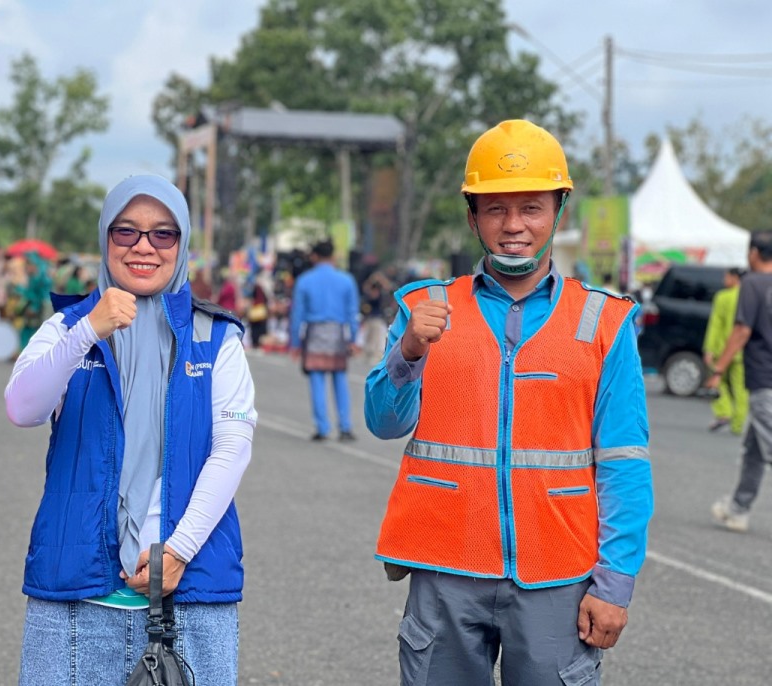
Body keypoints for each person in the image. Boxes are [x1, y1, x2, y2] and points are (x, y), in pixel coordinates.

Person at [364, 120, 653, 685]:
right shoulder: (426, 308)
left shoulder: (604, 321)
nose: (513, 226)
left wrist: (614, 582)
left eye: (531, 208)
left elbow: (625, 462)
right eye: (495, 209)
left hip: (557, 574)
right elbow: (382, 420)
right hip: (446, 567)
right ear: (473, 216)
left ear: (558, 211)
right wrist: (410, 349)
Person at [4, 174, 257, 686]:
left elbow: (232, 448)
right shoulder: (66, 327)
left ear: (181, 245)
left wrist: (179, 551)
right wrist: (88, 330)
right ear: (105, 239)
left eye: (163, 234)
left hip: (189, 594)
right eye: (126, 232)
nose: (144, 247)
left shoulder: (217, 336)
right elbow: (22, 408)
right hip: (76, 594)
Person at [707, 232, 772, 532]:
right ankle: (737, 509)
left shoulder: (753, 284)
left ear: (754, 254)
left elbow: (742, 331)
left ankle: (738, 508)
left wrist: (719, 368)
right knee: (755, 449)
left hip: (764, 378)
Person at [289, 240, 360, 441]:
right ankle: (345, 426)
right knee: (340, 380)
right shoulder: (346, 280)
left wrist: (295, 343)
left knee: (317, 381)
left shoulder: (304, 280)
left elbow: (297, 315)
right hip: (337, 333)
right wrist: (353, 338)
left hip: (314, 333)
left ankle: (322, 427)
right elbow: (352, 313)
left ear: (314, 256)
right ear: (333, 256)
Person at [703, 267, 747, 434]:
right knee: (741, 389)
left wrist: (709, 349)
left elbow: (715, 325)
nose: (724, 279)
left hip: (722, 349)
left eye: (726, 276)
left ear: (734, 277)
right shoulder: (748, 297)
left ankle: (724, 411)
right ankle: (738, 424)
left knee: (716, 381)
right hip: (743, 350)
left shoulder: (722, 297)